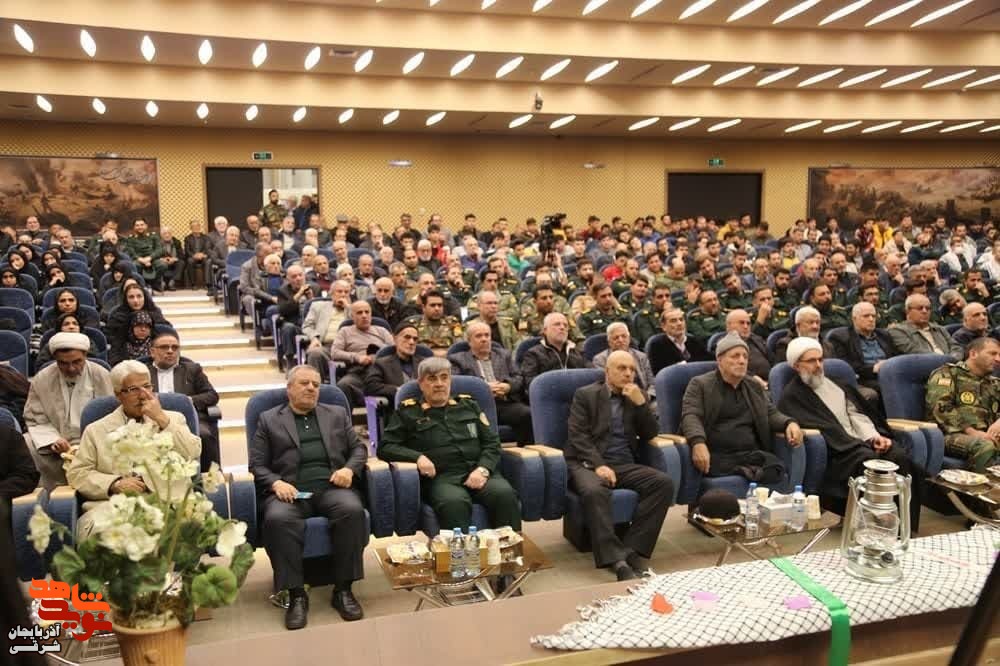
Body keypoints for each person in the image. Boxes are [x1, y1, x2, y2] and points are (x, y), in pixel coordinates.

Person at [248, 365, 367, 629]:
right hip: (290, 492)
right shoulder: (269, 419)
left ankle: (343, 590)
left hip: (331, 487)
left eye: (316, 384)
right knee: (278, 519)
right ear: (289, 388)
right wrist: (276, 482)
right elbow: (256, 464)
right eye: (304, 383)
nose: (312, 388)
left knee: (351, 510)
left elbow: (358, 449)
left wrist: (349, 469)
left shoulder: (336, 414)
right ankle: (296, 594)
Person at [779, 337, 924, 528]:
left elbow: (856, 414)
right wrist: (860, 445)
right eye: (811, 361)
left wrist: (873, 437)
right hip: (837, 453)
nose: (818, 365)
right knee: (867, 460)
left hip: (860, 443)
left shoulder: (837, 385)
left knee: (898, 456)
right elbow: (818, 430)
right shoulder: (792, 396)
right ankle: (870, 528)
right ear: (797, 365)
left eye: (820, 360)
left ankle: (904, 527)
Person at [379, 358, 522, 532]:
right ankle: (460, 550)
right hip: (443, 478)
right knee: (454, 503)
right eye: (432, 378)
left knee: (504, 495)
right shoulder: (408, 412)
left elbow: (492, 442)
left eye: (444, 377)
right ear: (421, 383)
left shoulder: (468, 405)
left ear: (450, 381)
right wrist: (418, 457)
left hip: (480, 471)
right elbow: (386, 447)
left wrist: (483, 469)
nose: (439, 384)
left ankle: (510, 547)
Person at [565, 350, 673, 580]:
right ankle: (617, 560)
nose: (628, 373)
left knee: (663, 483)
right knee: (594, 491)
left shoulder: (635, 396)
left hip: (623, 463)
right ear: (607, 371)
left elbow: (650, 433)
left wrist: (641, 404)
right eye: (622, 368)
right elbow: (578, 436)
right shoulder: (586, 395)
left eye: (632, 369)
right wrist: (598, 465)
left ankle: (632, 549)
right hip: (586, 463)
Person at [67, 360, 201, 538]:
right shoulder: (96, 430)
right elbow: (78, 473)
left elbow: (193, 452)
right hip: (114, 510)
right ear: (118, 395)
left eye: (147, 386)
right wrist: (114, 484)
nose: (143, 395)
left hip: (169, 505)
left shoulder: (174, 419)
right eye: (133, 389)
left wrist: (161, 419)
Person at [680, 333, 802, 484]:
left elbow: (770, 412)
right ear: (719, 360)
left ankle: (747, 472)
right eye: (735, 356)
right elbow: (691, 415)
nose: (742, 361)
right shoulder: (700, 384)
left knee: (776, 469)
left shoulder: (753, 385)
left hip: (750, 454)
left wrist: (789, 423)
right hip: (718, 455)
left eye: (745, 356)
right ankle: (747, 473)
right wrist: (697, 442)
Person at [24, 332, 114, 489]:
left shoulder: (101, 375)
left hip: (94, 442)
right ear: (55, 359)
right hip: (55, 443)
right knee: (26, 443)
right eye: (64, 363)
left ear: (85, 355)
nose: (71, 368)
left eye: (77, 362)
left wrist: (84, 444)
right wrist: (53, 439)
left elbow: (112, 415)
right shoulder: (43, 378)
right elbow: (35, 418)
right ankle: (46, 495)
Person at [144, 333, 221, 471]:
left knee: (204, 435)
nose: (170, 351)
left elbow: (212, 395)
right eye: (164, 347)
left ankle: (208, 477)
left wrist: (187, 401)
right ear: (152, 351)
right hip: (151, 420)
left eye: (175, 347)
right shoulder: (143, 372)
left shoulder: (192, 370)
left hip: (188, 419)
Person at [448, 321, 533, 444]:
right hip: (476, 406)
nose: (484, 339)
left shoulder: (504, 355)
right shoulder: (457, 359)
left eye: (487, 335)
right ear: (469, 341)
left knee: (527, 414)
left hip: (503, 404)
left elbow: (519, 377)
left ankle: (525, 451)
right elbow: (456, 385)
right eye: (479, 336)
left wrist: (508, 386)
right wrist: (483, 388)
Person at [925, 337, 1000, 472]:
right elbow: (941, 408)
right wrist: (972, 432)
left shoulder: (994, 383)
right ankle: (981, 485)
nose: (998, 359)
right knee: (985, 446)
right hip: (949, 434)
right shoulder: (948, 373)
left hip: (987, 435)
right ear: (973, 354)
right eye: (992, 354)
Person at [318, 300, 394, 406]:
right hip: (359, 372)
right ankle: (346, 416)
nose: (364, 316)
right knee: (344, 385)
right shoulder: (345, 331)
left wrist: (377, 356)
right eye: (359, 313)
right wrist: (357, 357)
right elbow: (334, 353)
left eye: (367, 312)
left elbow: (393, 350)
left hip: (382, 372)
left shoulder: (382, 331)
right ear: (352, 316)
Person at [826, 302, 897, 401]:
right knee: (889, 387)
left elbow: (895, 356)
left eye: (873, 316)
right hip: (863, 378)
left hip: (888, 373)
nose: (871, 319)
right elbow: (846, 366)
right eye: (866, 316)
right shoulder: (841, 337)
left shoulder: (883, 335)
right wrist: (874, 368)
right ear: (854, 319)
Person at [363, 322, 429, 407]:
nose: (411, 342)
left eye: (415, 339)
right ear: (395, 339)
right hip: (396, 410)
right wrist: (399, 390)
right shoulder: (381, 364)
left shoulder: (425, 363)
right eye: (407, 337)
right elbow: (370, 387)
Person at [521, 312, 589, 392]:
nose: (562, 327)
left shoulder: (576, 352)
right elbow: (530, 383)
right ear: (545, 330)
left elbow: (591, 374)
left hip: (577, 394)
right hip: (549, 395)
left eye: (565, 325)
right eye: (557, 324)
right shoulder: (533, 354)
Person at [887, 294, 963, 360]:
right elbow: (914, 352)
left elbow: (956, 347)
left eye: (928, 308)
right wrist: (945, 360)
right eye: (920, 308)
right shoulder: (897, 330)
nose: (925, 311)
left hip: (951, 364)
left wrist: (954, 358)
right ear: (907, 311)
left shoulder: (939, 328)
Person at [592, 322, 655, 396]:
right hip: (617, 397)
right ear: (609, 342)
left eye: (624, 336)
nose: (621, 340)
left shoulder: (642, 357)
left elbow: (652, 383)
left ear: (629, 339)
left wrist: (647, 397)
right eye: (616, 338)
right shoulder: (600, 360)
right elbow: (606, 387)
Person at [646, 306, 710, 375]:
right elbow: (660, 372)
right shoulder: (657, 345)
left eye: (681, 319)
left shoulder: (693, 340)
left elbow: (708, 359)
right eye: (673, 321)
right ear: (663, 326)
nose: (679, 323)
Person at [724, 309, 773, 384]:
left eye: (748, 323)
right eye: (741, 323)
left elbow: (772, 359)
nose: (746, 326)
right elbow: (731, 369)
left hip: (771, 379)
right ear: (729, 325)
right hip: (748, 383)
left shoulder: (756, 338)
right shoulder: (725, 346)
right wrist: (752, 378)